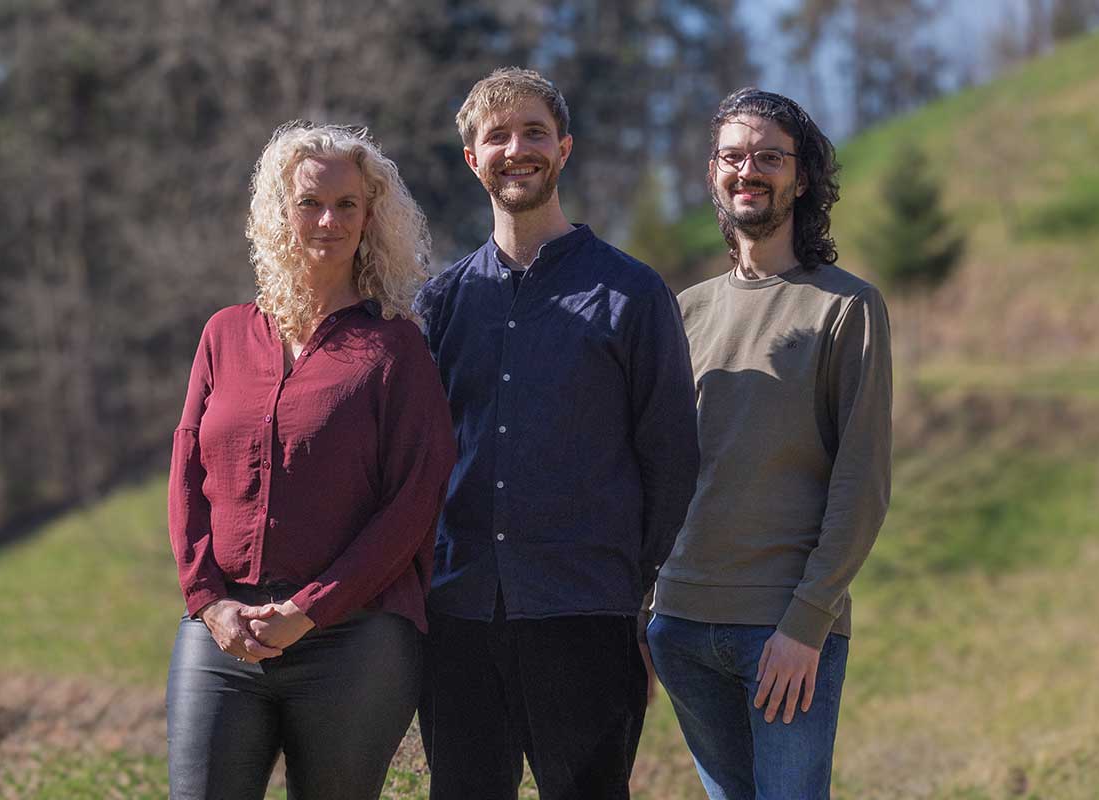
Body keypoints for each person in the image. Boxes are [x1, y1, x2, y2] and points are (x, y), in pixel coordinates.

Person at [414, 67, 699, 800]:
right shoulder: (441, 304)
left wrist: (628, 593)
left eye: (534, 131)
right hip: (460, 617)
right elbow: (415, 461)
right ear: (473, 159)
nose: (518, 149)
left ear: (564, 148)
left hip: (586, 615)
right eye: (497, 136)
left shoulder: (632, 294)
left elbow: (670, 459)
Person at [165, 122, 456, 800]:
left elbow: (416, 498)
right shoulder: (224, 334)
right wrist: (208, 603)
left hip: (355, 643)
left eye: (347, 205)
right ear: (277, 211)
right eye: (309, 203)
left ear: (369, 217)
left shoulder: (395, 349)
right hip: (223, 636)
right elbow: (186, 476)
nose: (328, 220)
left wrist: (309, 608)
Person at [646, 88, 893, 800]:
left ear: (802, 176)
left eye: (769, 157)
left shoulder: (847, 307)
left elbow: (863, 480)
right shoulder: (683, 311)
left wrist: (807, 623)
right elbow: (657, 471)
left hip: (782, 632)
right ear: (712, 173)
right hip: (680, 628)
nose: (747, 170)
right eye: (732, 155)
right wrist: (646, 611)